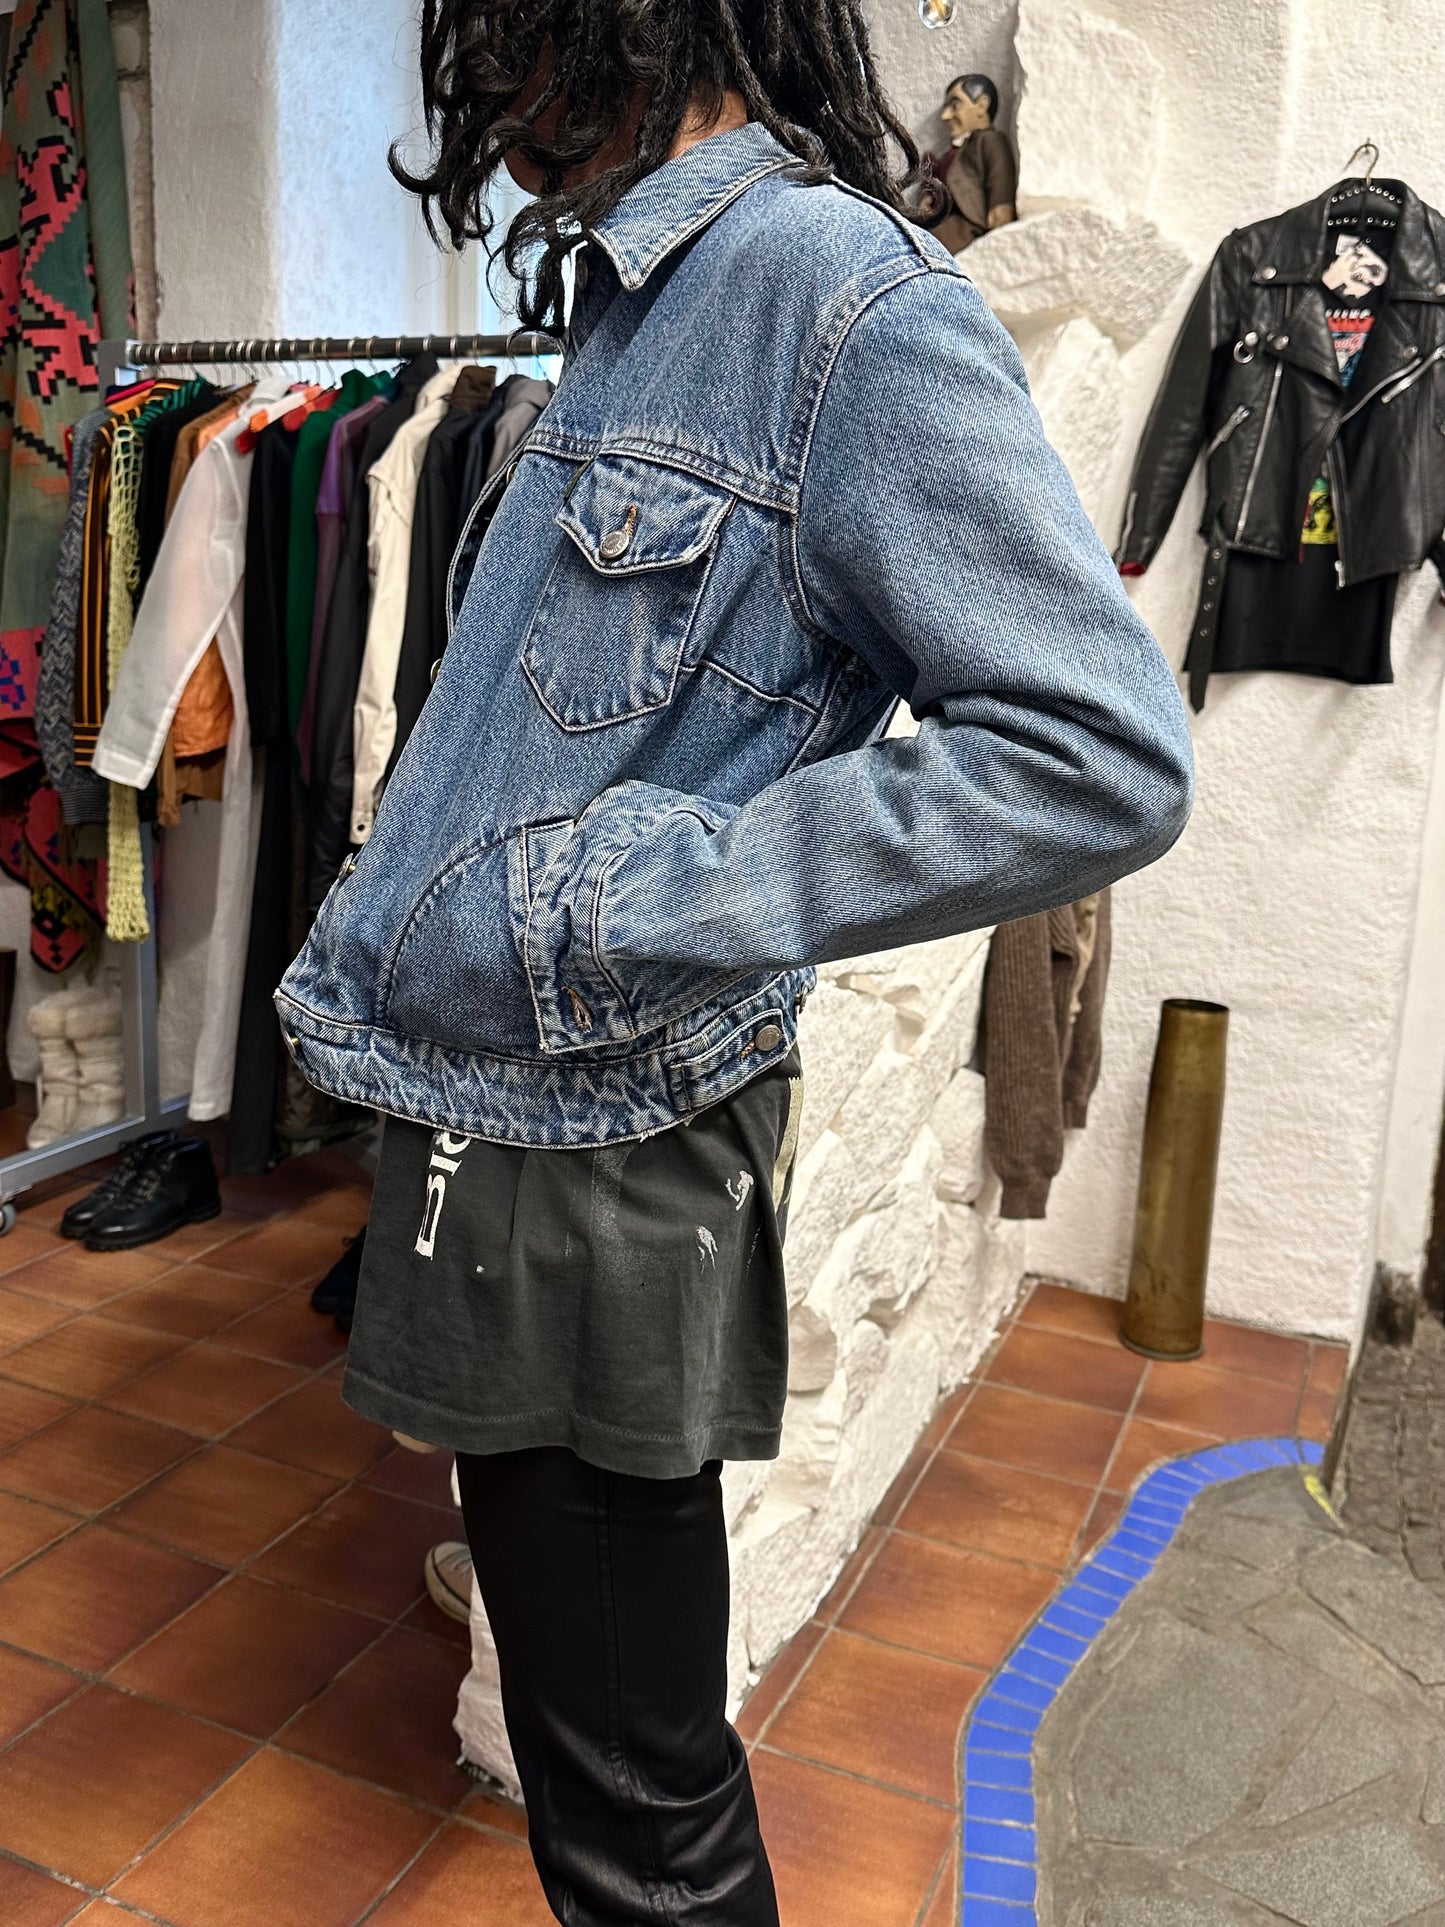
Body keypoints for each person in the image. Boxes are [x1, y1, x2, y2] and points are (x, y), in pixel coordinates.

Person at [276, 4, 1195, 1921]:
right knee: (603, 1773)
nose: (485, 98)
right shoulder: (642, 297)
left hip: (604, 1152)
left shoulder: (836, 300)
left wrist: (632, 892)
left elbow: (1095, 749)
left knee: (637, 1819)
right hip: (513, 1119)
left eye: (500, 35)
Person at [928, 71, 1019, 253]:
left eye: (955, 105)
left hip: (968, 224)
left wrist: (1000, 211)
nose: (945, 115)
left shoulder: (990, 141)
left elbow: (1000, 176)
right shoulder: (956, 149)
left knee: (927, 247)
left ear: (982, 105)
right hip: (942, 221)